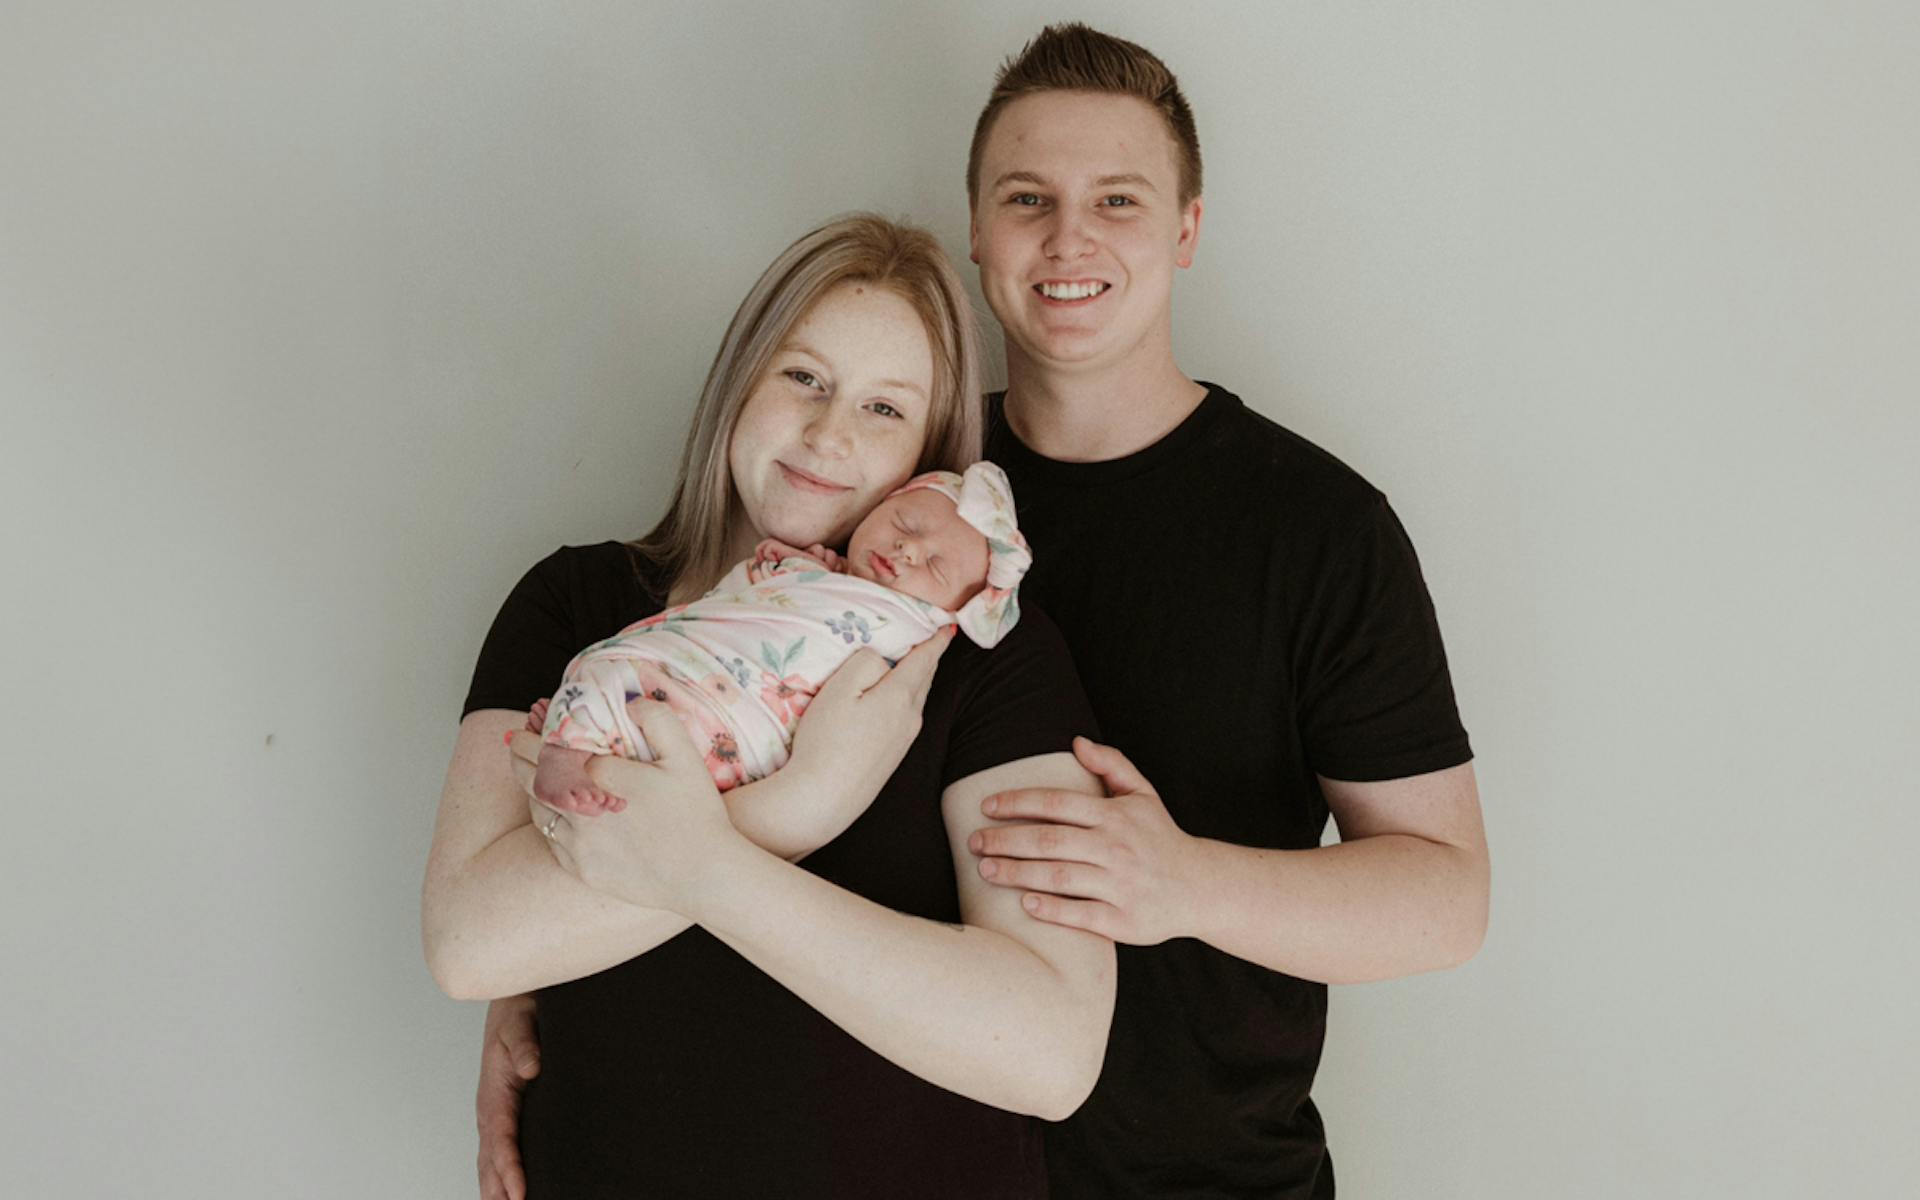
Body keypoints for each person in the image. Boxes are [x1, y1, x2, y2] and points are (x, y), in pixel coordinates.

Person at [476, 25, 1490, 1200]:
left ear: (1188, 228)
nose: (1070, 238)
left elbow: (1445, 897)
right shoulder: (877, 493)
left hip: (1195, 1174)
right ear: (976, 230)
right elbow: (713, 699)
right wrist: (536, 984)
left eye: (1119, 198)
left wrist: (1186, 884)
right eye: (1027, 197)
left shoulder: (1315, 528)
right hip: (910, 1156)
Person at [424, 213, 1115, 1198]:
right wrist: (791, 813)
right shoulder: (575, 605)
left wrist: (707, 869)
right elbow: (469, 945)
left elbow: (1049, 1053)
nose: (831, 432)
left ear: (928, 457)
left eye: (885, 409)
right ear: (739, 379)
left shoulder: (986, 660)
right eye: (804, 377)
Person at [532, 460, 1030, 813]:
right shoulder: (806, 567)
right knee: (614, 677)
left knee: (675, 744)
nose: (906, 549)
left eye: (935, 567)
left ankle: (581, 733)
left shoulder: (916, 633)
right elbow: (732, 604)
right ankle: (567, 744)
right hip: (692, 666)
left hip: (748, 729)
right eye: (905, 523)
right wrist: (789, 568)